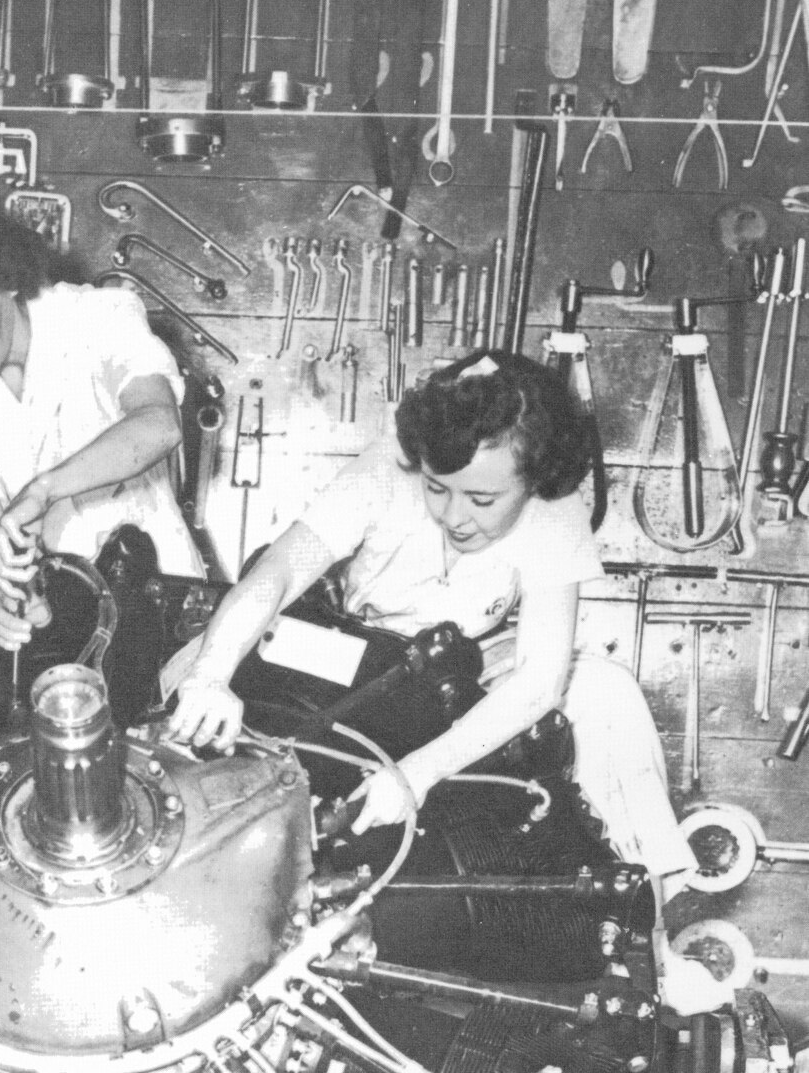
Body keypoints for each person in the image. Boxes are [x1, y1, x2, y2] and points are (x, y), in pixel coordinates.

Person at [167, 351, 696, 891]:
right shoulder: (387, 467)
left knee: (606, 693)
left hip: (471, 663)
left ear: (532, 483)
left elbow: (540, 679)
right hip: (356, 654)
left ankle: (643, 902)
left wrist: (415, 775)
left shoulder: (555, 508)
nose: (454, 517)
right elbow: (276, 572)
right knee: (199, 670)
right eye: (437, 488)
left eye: (483, 499)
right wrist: (209, 675)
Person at [0, 193, 203, 648]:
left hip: (164, 602)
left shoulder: (98, 316)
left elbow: (159, 424)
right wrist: (14, 597)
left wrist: (43, 490)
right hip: (59, 624)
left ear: (7, 280)